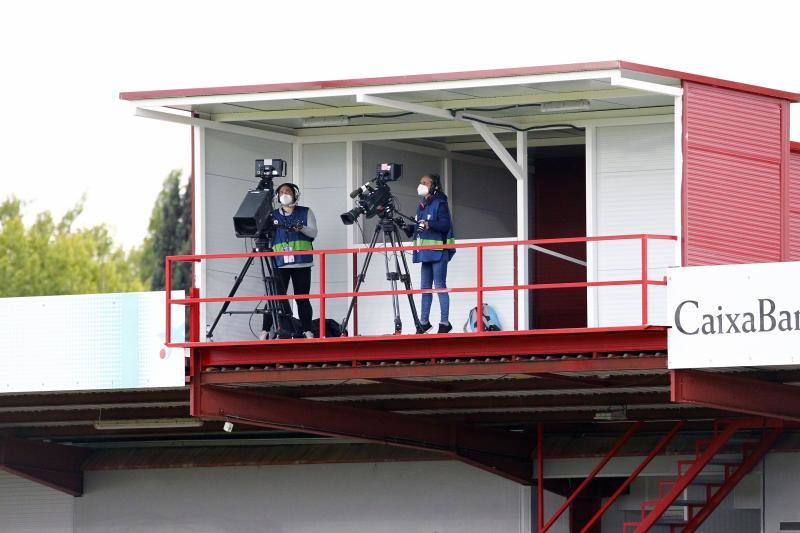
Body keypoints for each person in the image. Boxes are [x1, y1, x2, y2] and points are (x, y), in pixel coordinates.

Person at [260, 182, 317, 339]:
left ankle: (307, 330)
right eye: (282, 192)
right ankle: (264, 330)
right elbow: (264, 234)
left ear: (295, 194)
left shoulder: (306, 212)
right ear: (277, 196)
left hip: (302, 262)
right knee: (275, 297)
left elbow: (313, 233)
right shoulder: (272, 215)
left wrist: (301, 228)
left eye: (288, 191)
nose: (284, 194)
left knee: (302, 298)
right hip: (280, 263)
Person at [410, 173, 455, 334]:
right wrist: (408, 227)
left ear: (433, 185)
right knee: (425, 288)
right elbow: (418, 227)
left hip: (438, 252)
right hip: (425, 253)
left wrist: (429, 224)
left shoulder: (440, 203)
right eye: (420, 182)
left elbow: (445, 225)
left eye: (424, 182)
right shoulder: (422, 204)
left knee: (440, 287)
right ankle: (424, 322)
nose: (420, 185)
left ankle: (444, 322)